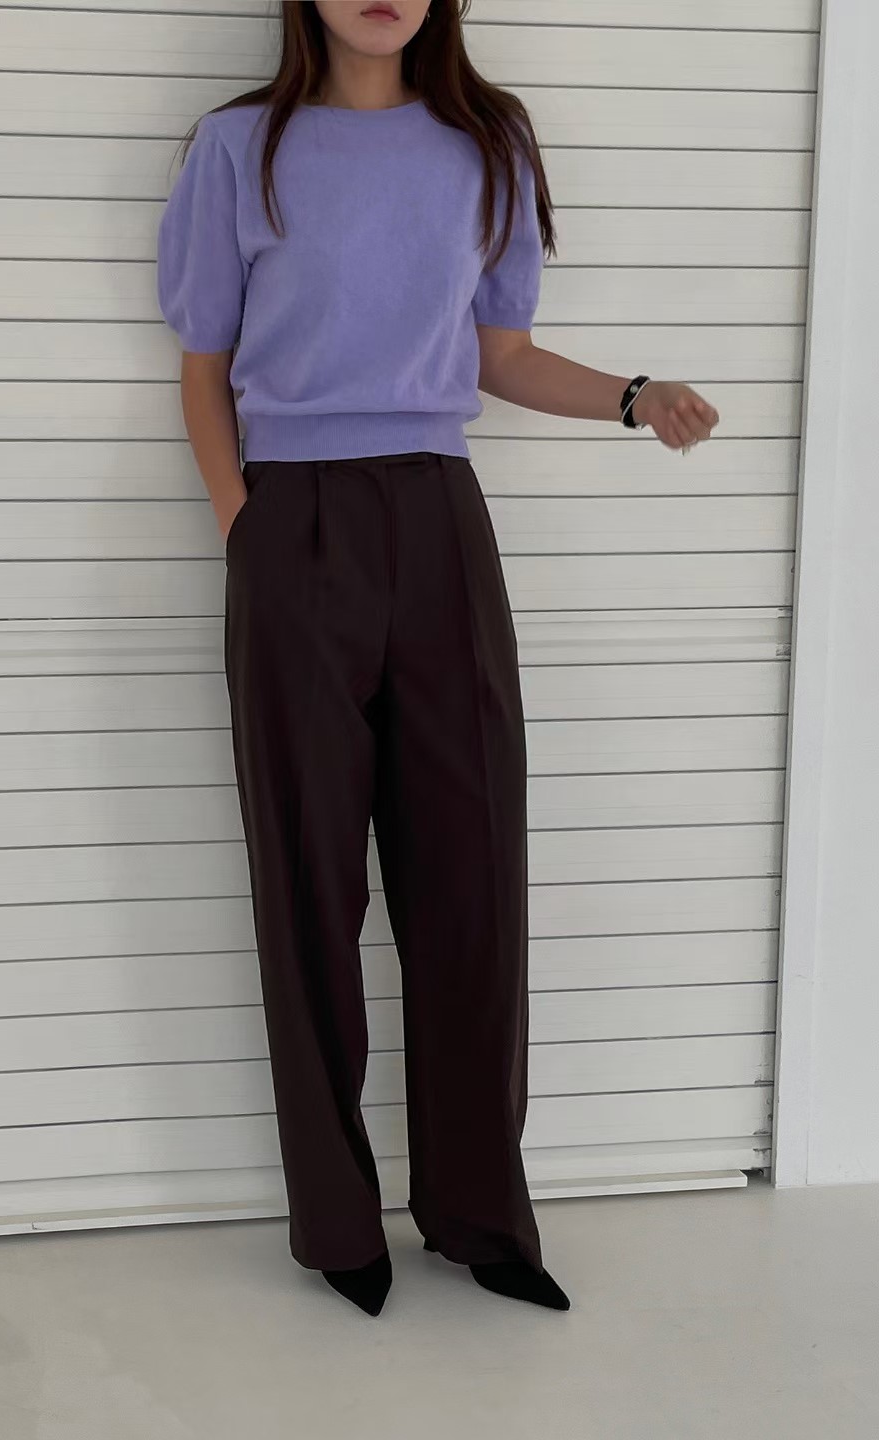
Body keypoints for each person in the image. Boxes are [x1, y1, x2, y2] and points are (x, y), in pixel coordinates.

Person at [157, 0, 719, 1318]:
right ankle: (336, 1224)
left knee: (471, 875)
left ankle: (478, 1213)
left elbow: (498, 354)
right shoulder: (238, 148)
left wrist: (633, 398)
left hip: (439, 516)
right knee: (307, 884)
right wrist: (248, 529)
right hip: (293, 520)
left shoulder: (489, 142)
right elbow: (203, 366)